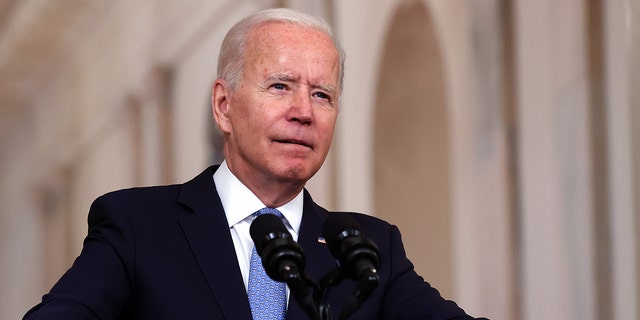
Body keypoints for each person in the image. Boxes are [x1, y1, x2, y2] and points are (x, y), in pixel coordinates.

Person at [23, 7, 486, 320]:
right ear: (224, 106)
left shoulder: (368, 249)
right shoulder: (137, 227)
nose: (304, 111)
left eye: (322, 95)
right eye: (281, 86)